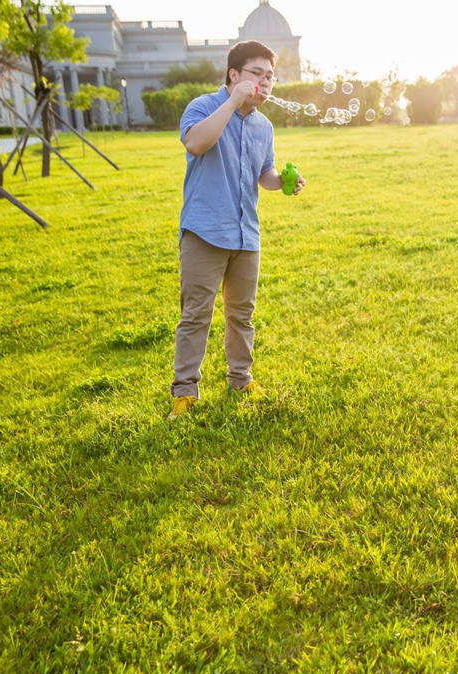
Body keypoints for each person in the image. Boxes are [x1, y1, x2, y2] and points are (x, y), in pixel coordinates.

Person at [168, 40, 305, 420]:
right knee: (196, 314)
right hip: (205, 231)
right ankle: (185, 393)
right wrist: (232, 103)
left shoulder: (264, 126)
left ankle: (240, 379)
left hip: (246, 234)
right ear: (234, 75)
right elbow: (195, 143)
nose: (265, 82)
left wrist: (285, 182)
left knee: (242, 314)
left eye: (270, 77)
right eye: (257, 74)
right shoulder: (204, 106)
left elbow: (265, 175)